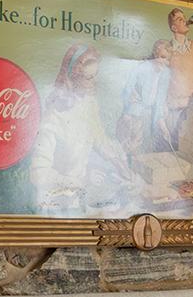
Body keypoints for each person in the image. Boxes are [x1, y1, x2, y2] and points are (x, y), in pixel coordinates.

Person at [29, 43, 134, 215]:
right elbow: (38, 174)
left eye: (95, 75)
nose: (94, 83)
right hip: (55, 206)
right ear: (73, 76)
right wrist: (81, 180)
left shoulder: (88, 103)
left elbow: (98, 135)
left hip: (79, 198)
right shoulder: (53, 116)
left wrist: (117, 162)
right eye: (89, 77)